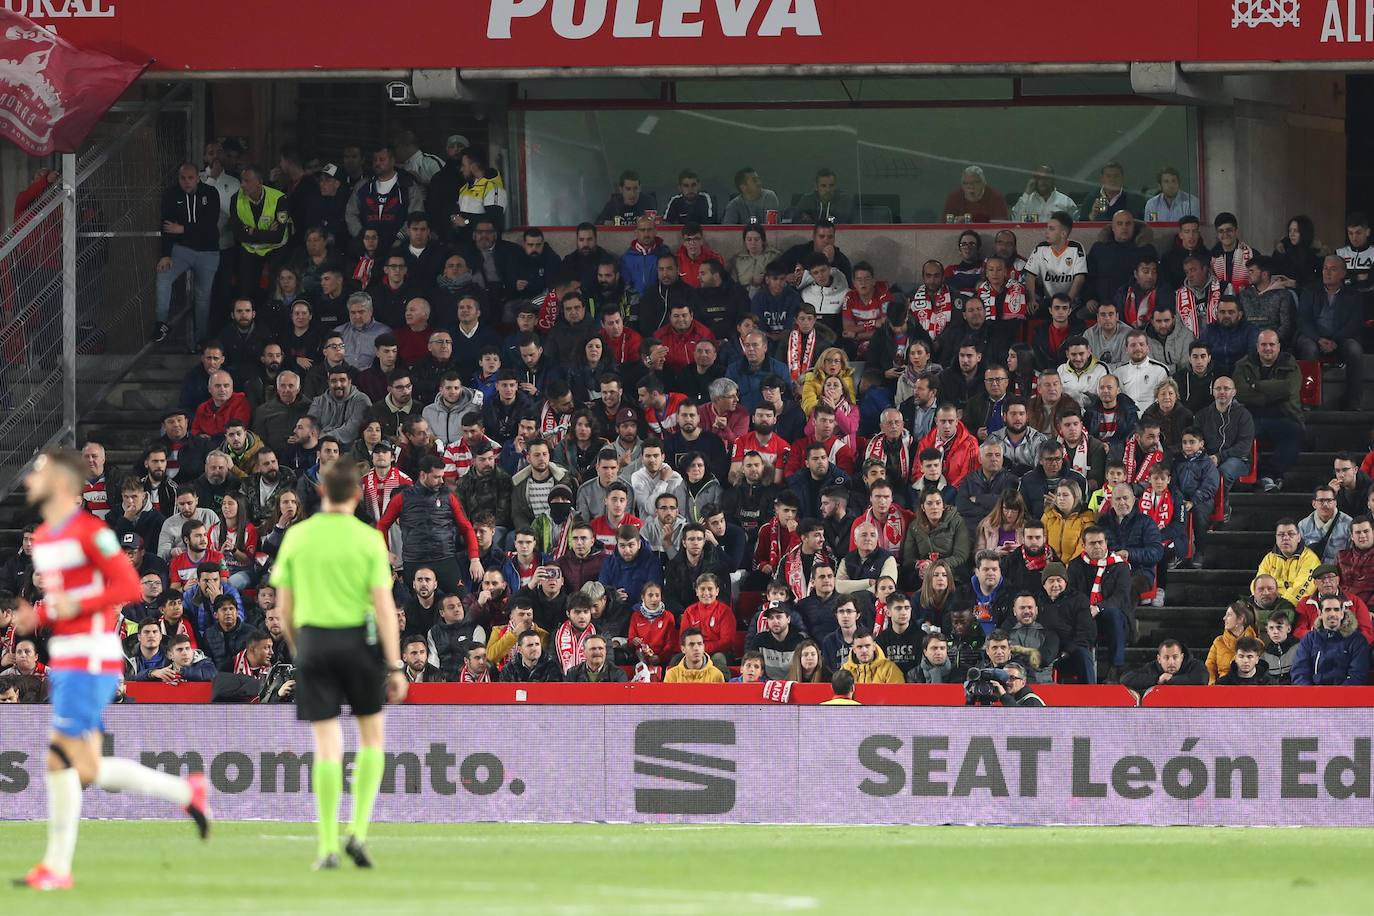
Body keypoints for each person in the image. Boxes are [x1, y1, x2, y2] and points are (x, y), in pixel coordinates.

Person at [13, 450, 210, 891]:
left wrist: (67, 606)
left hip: (91, 656)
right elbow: (67, 600)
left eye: (40, 473)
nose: (30, 479)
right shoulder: (45, 539)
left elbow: (125, 585)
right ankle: (186, 793)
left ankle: (56, 868)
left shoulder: (91, 532)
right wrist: (40, 615)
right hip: (65, 655)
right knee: (83, 768)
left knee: (59, 758)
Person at [1290, 595, 1371, 686]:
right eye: (1328, 610)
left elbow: (1358, 674)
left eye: (1336, 610)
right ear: (1320, 613)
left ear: (1342, 614)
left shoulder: (1357, 640)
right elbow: (1300, 671)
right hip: (1314, 696)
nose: (1332, 614)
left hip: (1346, 696)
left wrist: (1336, 696)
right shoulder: (1309, 639)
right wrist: (1311, 695)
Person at [1257, 519, 1322, 605]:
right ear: (1276, 538)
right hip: (1269, 602)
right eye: (1281, 534)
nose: (1286, 538)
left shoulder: (1310, 559)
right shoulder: (1269, 558)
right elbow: (1257, 583)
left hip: (1295, 606)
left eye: (1291, 534)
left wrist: (1279, 605)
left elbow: (1302, 590)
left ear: (1298, 537)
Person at [1120, 639, 1209, 695]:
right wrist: (1157, 680)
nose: (1171, 662)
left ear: (1182, 657)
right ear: (1159, 659)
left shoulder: (1195, 665)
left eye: (1175, 657)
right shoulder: (1152, 667)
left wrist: (1171, 680)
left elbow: (1202, 679)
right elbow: (1126, 679)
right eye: (1166, 657)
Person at [1205, 602, 1261, 684]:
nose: (1224, 618)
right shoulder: (1218, 642)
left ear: (1240, 619)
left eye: (1229, 615)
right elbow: (1210, 667)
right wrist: (1213, 686)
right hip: (1223, 689)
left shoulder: (1257, 644)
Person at [942, 165, 1008, 222]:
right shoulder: (954, 198)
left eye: (974, 182)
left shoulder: (995, 198)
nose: (970, 186)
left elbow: (1001, 223)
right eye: (966, 183)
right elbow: (944, 224)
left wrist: (971, 220)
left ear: (983, 183)